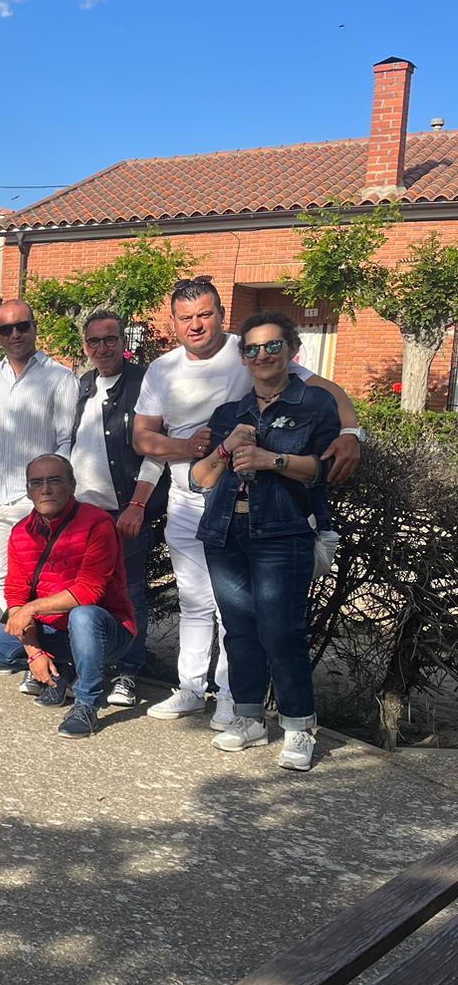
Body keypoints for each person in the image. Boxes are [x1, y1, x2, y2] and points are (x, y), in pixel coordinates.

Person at [133, 277, 364, 726]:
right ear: (173, 322)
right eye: (185, 318)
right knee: (195, 601)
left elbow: (326, 390)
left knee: (233, 611)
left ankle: (232, 699)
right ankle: (191, 688)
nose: (196, 325)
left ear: (221, 314)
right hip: (188, 497)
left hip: (251, 504)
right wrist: (189, 448)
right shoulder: (162, 369)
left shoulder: (254, 350)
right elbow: (143, 437)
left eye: (205, 314)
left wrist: (352, 432)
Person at [191, 311, 341, 772]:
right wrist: (224, 447)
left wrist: (270, 458)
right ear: (243, 358)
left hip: (281, 532)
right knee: (239, 631)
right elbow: (200, 481)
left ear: (291, 350)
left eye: (272, 346)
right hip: (224, 533)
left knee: (281, 631)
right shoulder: (228, 414)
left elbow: (320, 471)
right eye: (252, 349)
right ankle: (249, 718)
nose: (262, 355)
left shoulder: (313, 405)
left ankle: (299, 727)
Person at [0, 455, 138, 739]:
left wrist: (32, 608)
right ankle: (62, 673)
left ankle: (86, 703)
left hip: (106, 630)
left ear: (72, 485)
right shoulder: (21, 532)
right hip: (53, 630)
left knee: (83, 615)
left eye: (54, 480)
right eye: (37, 483)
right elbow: (16, 593)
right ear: (29, 490)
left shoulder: (98, 523)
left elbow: (89, 591)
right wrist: (34, 652)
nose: (45, 489)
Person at [65, 308, 163, 708]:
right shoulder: (83, 386)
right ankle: (90, 669)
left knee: (129, 594)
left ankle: (127, 672)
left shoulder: (144, 385)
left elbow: (155, 451)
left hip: (123, 513)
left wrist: (138, 504)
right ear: (85, 346)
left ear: (125, 342)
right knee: (85, 596)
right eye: (94, 341)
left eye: (110, 339)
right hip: (81, 516)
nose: (102, 347)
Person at [0, 299, 79, 621]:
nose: (15, 334)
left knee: (38, 582)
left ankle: (39, 656)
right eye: (6, 329)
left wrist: (50, 495)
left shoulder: (60, 378)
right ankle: (5, 648)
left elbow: (66, 441)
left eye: (22, 326)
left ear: (35, 328)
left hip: (31, 500)